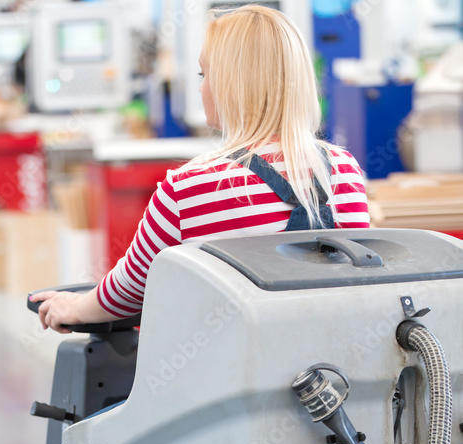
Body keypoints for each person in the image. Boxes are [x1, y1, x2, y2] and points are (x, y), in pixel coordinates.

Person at [31, 3, 370, 333]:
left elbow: (128, 291)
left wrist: (75, 306)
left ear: (231, 84)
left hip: (234, 369)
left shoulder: (190, 186)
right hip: (332, 365)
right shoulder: (343, 169)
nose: (200, 86)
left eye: (204, 74)